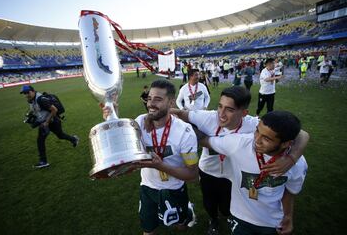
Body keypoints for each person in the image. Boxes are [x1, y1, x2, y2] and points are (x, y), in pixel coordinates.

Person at [171, 86, 309, 235]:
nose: (221, 115)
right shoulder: (209, 118)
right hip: (209, 171)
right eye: (220, 106)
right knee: (209, 202)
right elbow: (180, 115)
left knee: (227, 206)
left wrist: (291, 158)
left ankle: (230, 217)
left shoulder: (253, 125)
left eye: (229, 109)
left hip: (233, 175)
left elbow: (300, 133)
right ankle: (214, 220)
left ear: (243, 113)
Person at [103, 79, 198, 235]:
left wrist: (160, 166)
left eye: (158, 99)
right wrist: (113, 117)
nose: (151, 104)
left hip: (174, 189)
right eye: (149, 98)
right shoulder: (139, 122)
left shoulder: (184, 132)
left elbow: (193, 174)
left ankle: (186, 211)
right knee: (148, 229)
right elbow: (122, 147)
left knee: (180, 226)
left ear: (171, 102)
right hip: (148, 187)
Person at [200, 111, 308, 235]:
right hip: (240, 216)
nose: (256, 140)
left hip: (272, 222)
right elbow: (206, 140)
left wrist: (288, 216)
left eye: (266, 138)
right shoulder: (239, 144)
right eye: (257, 131)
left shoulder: (298, 164)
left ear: (286, 143)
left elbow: (289, 191)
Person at [20, 85, 79, 168]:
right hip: (47, 121)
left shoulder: (41, 99)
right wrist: (31, 115)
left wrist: (46, 122)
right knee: (60, 135)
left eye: (27, 92)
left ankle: (43, 161)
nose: (26, 95)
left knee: (41, 140)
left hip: (52, 121)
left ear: (33, 91)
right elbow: (38, 110)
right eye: (24, 93)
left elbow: (54, 110)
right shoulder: (31, 100)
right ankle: (74, 139)